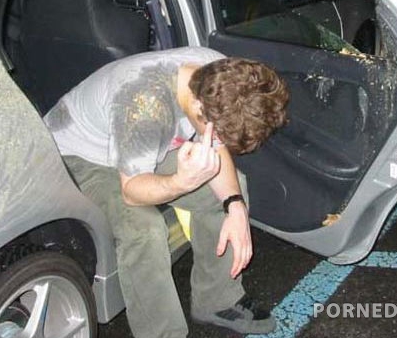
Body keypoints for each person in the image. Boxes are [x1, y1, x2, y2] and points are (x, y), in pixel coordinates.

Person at [44, 46, 289, 338]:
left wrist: (235, 205)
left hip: (137, 142)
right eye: (217, 134)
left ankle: (217, 301)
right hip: (79, 156)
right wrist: (181, 182)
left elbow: (217, 147)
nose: (218, 141)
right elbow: (132, 191)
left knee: (229, 191)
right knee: (143, 229)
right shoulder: (144, 105)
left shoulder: (218, 73)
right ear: (199, 108)